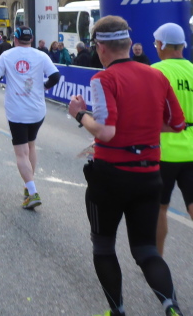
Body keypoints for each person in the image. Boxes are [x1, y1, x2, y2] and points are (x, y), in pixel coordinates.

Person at [67, 16, 185, 316]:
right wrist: (142, 126)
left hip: (110, 176)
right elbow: (177, 124)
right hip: (149, 175)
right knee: (146, 250)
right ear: (129, 43)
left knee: (104, 246)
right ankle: (172, 307)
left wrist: (79, 114)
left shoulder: (104, 79)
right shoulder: (157, 76)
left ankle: (117, 310)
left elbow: (106, 131)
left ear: (100, 48)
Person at [0, 26, 61, 209]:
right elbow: (55, 76)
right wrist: (44, 87)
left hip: (17, 110)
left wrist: (9, 75)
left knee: (21, 153)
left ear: (15, 39)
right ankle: (28, 188)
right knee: (31, 146)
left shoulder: (7, 55)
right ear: (32, 39)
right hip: (37, 110)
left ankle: (33, 191)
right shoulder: (41, 55)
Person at [150, 23, 193, 257]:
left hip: (164, 149)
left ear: (162, 44)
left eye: (156, 43)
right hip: (191, 149)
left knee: (159, 208)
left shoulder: (156, 71)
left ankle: (156, 260)